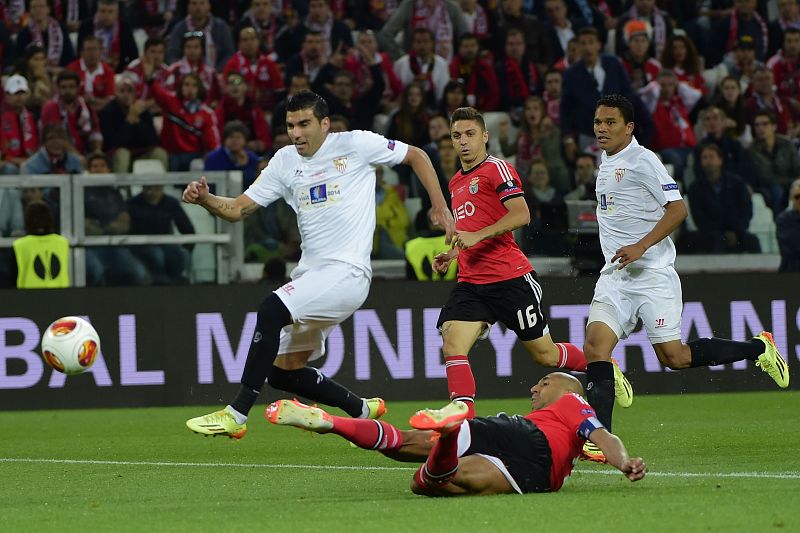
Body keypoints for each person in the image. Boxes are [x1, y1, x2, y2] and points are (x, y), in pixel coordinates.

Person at [183, 90, 456, 439]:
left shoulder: (356, 144)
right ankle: (361, 408)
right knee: (283, 371)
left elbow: (416, 155)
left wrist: (439, 206)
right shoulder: (284, 162)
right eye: (290, 125)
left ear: (324, 124)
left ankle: (236, 414)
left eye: (304, 124)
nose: (296, 133)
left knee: (270, 310)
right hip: (313, 276)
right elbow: (237, 209)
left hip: (348, 272)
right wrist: (205, 199)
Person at [581, 94, 789, 462]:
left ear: (629, 127)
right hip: (615, 276)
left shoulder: (644, 161)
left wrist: (642, 246)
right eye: (598, 122)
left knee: (674, 358)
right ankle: (601, 439)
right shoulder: (605, 159)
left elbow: (679, 210)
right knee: (596, 348)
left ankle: (761, 348)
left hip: (653, 276)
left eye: (610, 122)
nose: (602, 128)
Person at [429, 107, 631, 421]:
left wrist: (476, 236)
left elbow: (521, 214)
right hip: (472, 283)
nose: (463, 142)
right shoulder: (455, 182)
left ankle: (604, 364)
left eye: (470, 134)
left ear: (485, 136)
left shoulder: (498, 169)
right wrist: (455, 253)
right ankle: (462, 413)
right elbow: (473, 229)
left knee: (545, 355)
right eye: (457, 136)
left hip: (510, 279)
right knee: (452, 341)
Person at [266, 372, 646, 496]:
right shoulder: (568, 422)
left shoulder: (570, 403)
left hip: (524, 438)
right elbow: (597, 443)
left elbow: (604, 438)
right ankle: (445, 438)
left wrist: (623, 459)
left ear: (562, 388)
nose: (534, 390)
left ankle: (447, 433)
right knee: (431, 484)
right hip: (535, 478)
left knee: (409, 445)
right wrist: (622, 464)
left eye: (541, 384)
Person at [686, 143, 761, 254]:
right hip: (710, 234)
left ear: (720, 160)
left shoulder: (737, 183)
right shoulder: (695, 188)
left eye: (711, 157)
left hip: (737, 231)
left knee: (753, 241)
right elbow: (699, 217)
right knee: (713, 241)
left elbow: (746, 210)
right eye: (704, 157)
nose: (708, 161)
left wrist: (736, 231)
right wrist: (720, 233)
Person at [11, 202, 69, 289]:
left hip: (26, 299)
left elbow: (11, 278)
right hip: (61, 299)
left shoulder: (19, 245)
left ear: (27, 221)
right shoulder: (63, 243)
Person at [777, 178, 800, 272]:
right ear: (791, 198)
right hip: (793, 269)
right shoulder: (784, 219)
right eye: (797, 197)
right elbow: (793, 247)